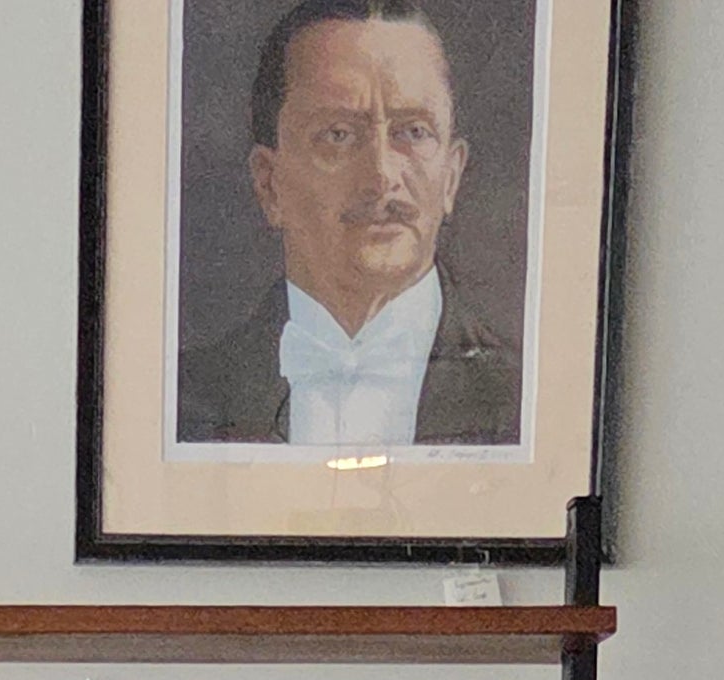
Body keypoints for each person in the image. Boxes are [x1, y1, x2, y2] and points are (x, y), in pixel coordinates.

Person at [179, 0, 522, 451]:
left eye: (413, 132)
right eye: (338, 134)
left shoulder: (527, 403)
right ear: (269, 184)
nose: (381, 174)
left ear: (451, 177)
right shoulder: (180, 404)